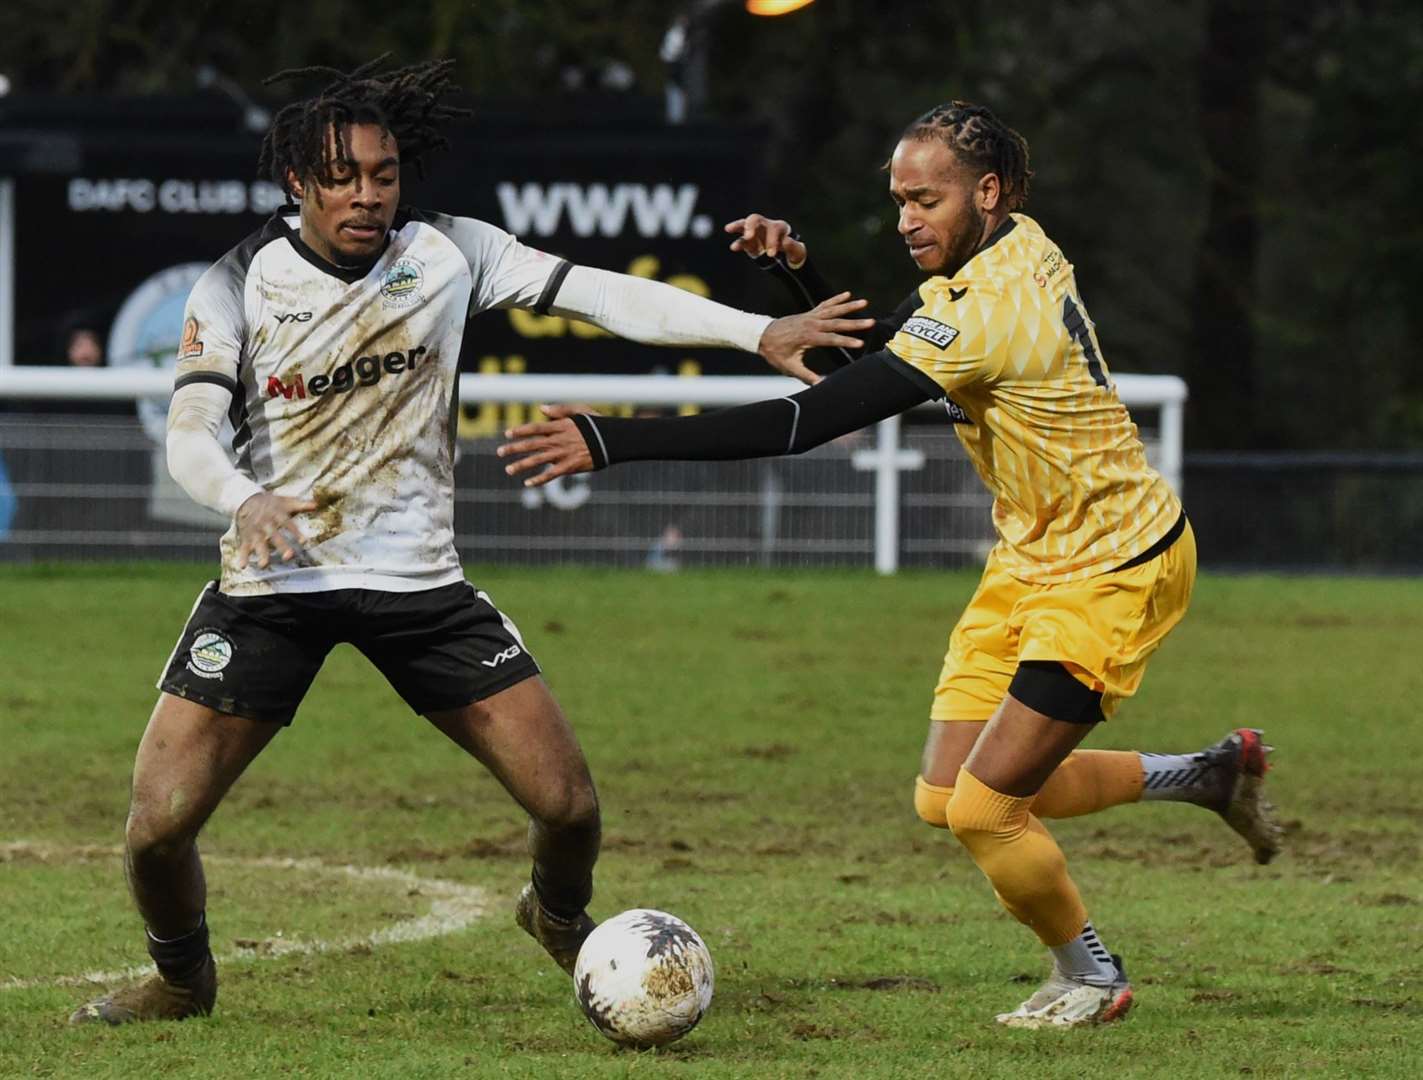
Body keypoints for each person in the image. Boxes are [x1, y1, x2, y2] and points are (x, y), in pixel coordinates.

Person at [69, 56, 874, 1027]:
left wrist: (759, 333)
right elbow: (190, 432)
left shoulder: (451, 251)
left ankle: (555, 913)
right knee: (156, 829)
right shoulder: (238, 282)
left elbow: (604, 296)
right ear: (297, 182)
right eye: (344, 177)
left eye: (385, 173)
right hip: (273, 585)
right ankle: (181, 979)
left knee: (570, 808)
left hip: (420, 590)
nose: (368, 195)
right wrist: (244, 501)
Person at [498, 100, 1284, 1029]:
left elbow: (808, 421)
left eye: (926, 200)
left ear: (985, 193)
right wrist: (800, 279)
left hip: (1114, 563)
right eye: (899, 200)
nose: (907, 220)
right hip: (1031, 557)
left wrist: (612, 439)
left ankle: (1091, 974)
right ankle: (1201, 776)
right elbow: (879, 367)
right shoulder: (1010, 246)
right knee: (944, 794)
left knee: (986, 809)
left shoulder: (992, 310)